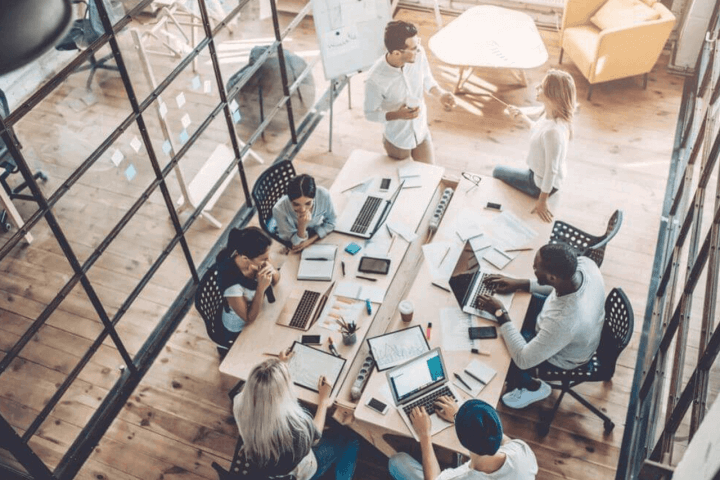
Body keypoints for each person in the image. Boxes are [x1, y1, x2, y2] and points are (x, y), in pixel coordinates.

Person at [479, 243, 605, 409]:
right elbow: (557, 288)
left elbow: (524, 360)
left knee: (504, 354)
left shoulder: (565, 321)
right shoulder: (584, 264)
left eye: (536, 268)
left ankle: (533, 386)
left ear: (552, 277)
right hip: (561, 322)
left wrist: (500, 312)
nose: (533, 268)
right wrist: (519, 283)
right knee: (515, 316)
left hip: (564, 357)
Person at [233, 354, 360, 480]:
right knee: (351, 438)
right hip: (299, 471)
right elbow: (315, 437)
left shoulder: (238, 402)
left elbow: (262, 389)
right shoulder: (295, 426)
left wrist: (277, 365)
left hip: (263, 462)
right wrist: (323, 401)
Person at [364, 20, 456, 164]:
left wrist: (441, 95)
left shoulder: (419, 54)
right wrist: (396, 115)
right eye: (413, 48)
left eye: (417, 43)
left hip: (421, 131)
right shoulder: (374, 79)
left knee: (429, 174)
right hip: (398, 140)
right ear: (396, 53)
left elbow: (427, 79)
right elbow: (369, 113)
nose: (418, 49)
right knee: (403, 181)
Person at [492, 69, 577, 222]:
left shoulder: (553, 132)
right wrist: (522, 117)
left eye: (541, 87)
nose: (537, 88)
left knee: (497, 171)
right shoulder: (551, 113)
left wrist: (542, 201)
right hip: (544, 175)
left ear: (552, 95)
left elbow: (551, 171)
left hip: (538, 184)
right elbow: (538, 130)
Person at [388, 398, 538, 480]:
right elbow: (496, 435)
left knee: (397, 462)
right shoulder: (521, 449)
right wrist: (459, 417)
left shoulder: (460, 477)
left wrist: (425, 435)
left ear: (462, 441)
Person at [215, 227, 280, 347]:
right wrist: (261, 288)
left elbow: (276, 281)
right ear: (245, 258)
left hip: (258, 309)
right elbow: (248, 318)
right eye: (264, 259)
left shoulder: (251, 261)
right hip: (239, 329)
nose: (268, 260)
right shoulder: (232, 285)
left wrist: (271, 269)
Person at [273, 174, 336, 252]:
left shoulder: (323, 195)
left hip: (313, 233)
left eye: (308, 203)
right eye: (296, 204)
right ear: (289, 199)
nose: (302, 210)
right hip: (293, 238)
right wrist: (302, 226)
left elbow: (332, 221)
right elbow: (295, 244)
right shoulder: (279, 210)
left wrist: (311, 240)